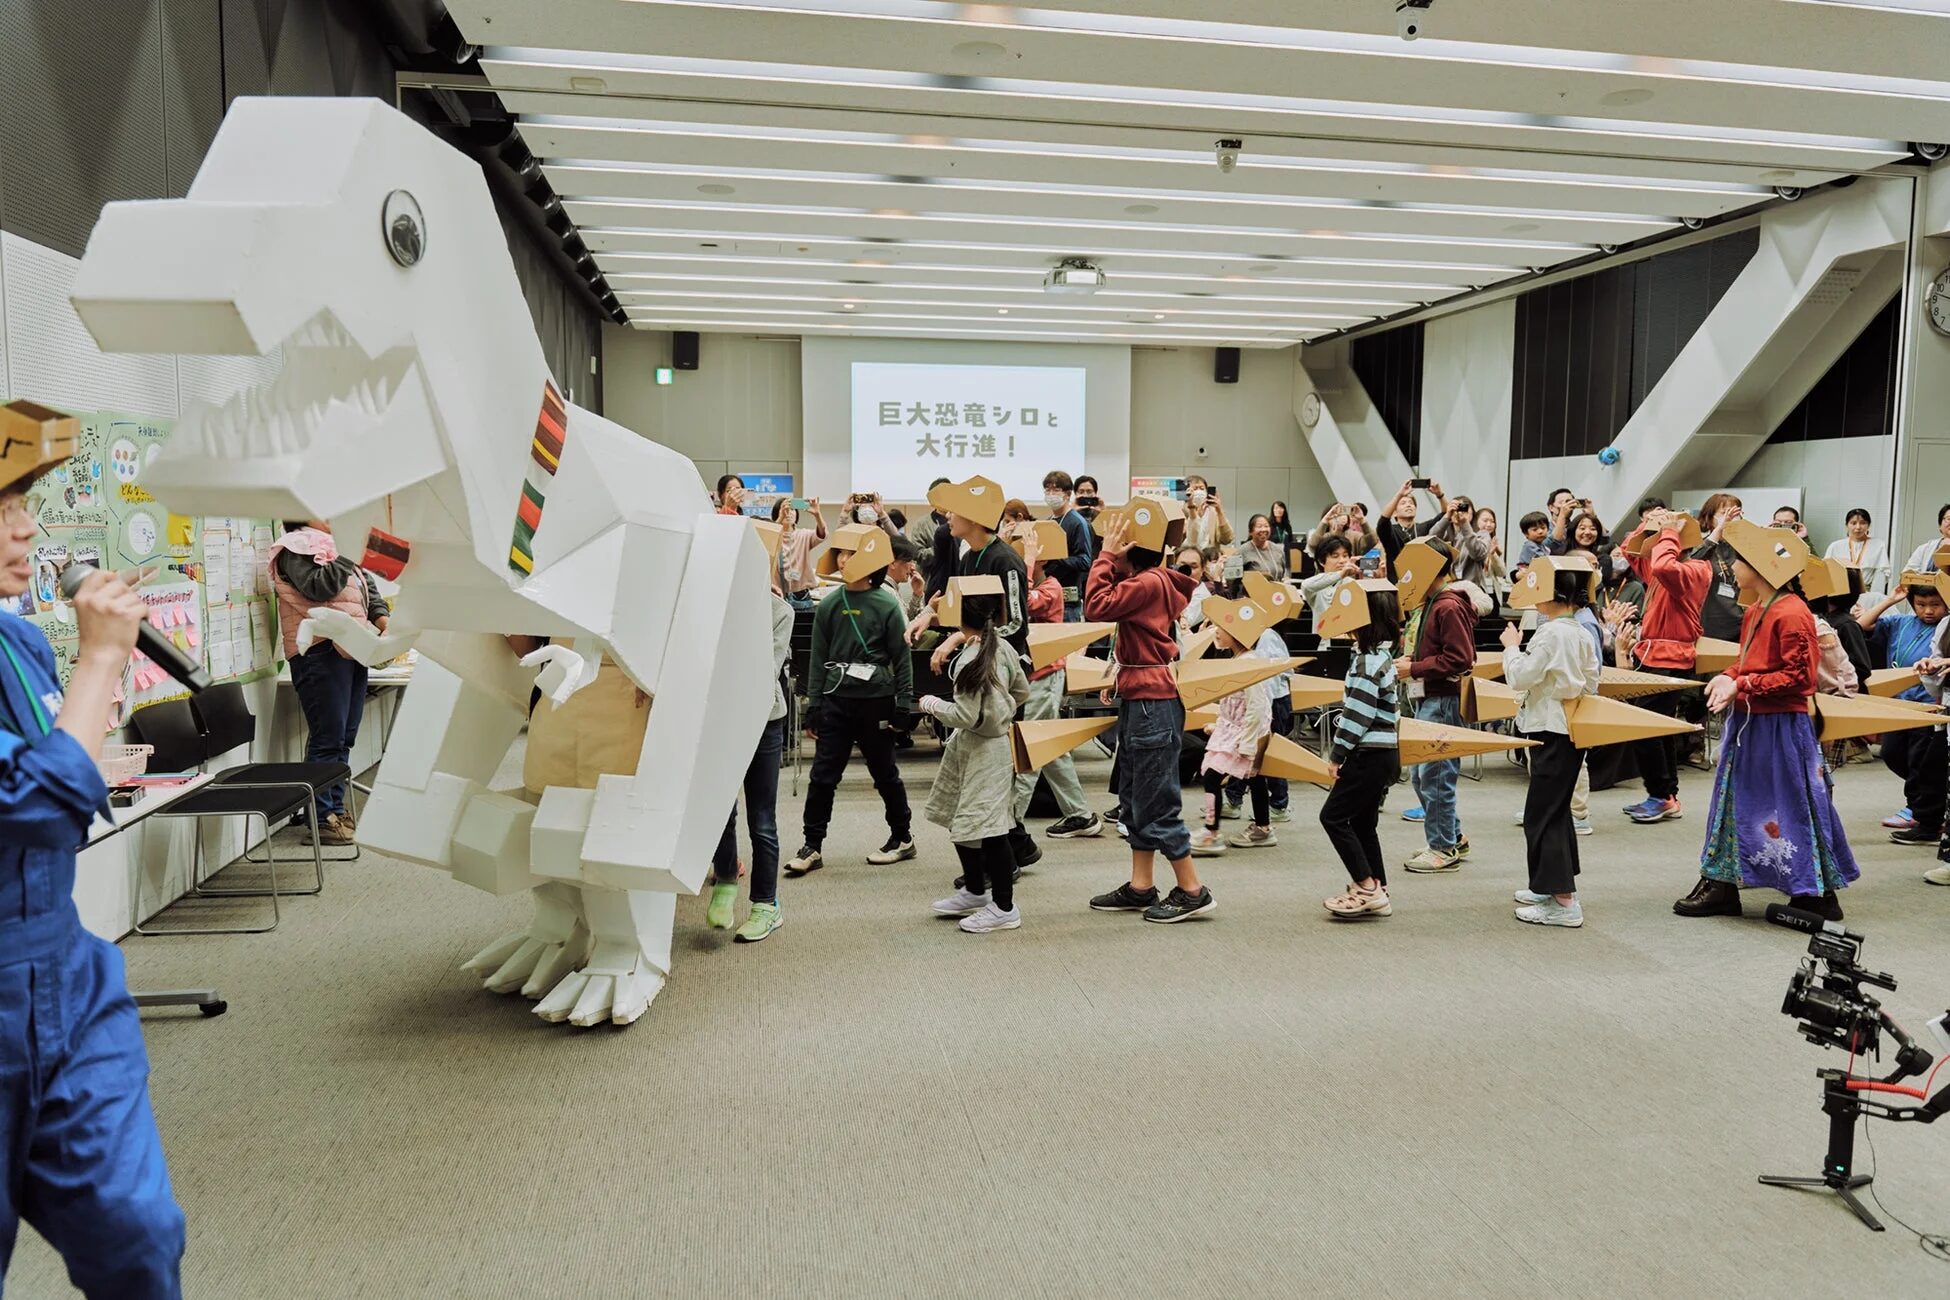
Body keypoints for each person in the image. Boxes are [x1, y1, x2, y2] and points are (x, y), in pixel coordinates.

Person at [1, 438, 187, 1298]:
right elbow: (34, 807)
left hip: (65, 983)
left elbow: (60, 796)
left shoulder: (16, 642)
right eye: (1, 515)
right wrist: (105, 658)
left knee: (137, 1232)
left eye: (19, 509)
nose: (24, 531)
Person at [1676, 521, 1858, 921]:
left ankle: (1813, 891)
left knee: (1792, 803)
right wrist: (1730, 675)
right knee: (1737, 801)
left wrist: (1740, 684)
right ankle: (1724, 882)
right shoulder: (1760, 607)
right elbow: (1752, 662)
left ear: (1761, 568)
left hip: (1780, 726)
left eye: (1740, 560)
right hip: (1755, 722)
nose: (1735, 566)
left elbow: (1799, 678)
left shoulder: (1792, 613)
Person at [1084, 507, 1215, 922]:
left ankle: (1192, 890)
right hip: (1143, 697)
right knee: (1135, 797)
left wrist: (1103, 558)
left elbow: (1095, 606)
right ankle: (1142, 885)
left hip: (1151, 705)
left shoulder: (1147, 582)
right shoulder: (1151, 582)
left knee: (1156, 799)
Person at [906, 475, 1039, 868]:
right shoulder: (968, 556)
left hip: (1001, 677)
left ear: (978, 518)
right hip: (982, 672)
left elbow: (1015, 623)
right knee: (983, 770)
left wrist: (962, 640)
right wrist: (931, 615)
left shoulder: (1006, 560)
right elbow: (958, 604)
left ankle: (1005, 861)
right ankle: (1017, 847)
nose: (946, 516)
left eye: (955, 509)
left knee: (995, 772)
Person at [785, 532, 915, 878]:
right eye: (840, 553)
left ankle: (902, 836)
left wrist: (904, 702)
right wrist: (814, 704)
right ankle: (812, 844)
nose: (843, 560)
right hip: (836, 700)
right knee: (823, 775)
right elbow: (818, 657)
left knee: (884, 772)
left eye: (850, 554)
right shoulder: (828, 604)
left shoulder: (886, 604)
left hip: (876, 700)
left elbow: (902, 658)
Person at [269, 520, 392, 845]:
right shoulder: (294, 547)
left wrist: (384, 622)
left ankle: (334, 809)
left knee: (345, 736)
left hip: (352, 647)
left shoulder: (335, 547)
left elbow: (367, 591)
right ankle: (323, 817)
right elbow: (321, 588)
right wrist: (349, 550)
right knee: (329, 737)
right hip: (318, 652)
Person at [924, 588, 1032, 934]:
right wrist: (1002, 714)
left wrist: (931, 705)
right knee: (966, 819)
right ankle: (974, 890)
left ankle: (1003, 906)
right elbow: (1022, 690)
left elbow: (965, 716)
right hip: (987, 745)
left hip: (981, 749)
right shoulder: (999, 646)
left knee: (988, 827)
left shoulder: (972, 659)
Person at [706, 528, 795, 943]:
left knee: (762, 819)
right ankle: (725, 880)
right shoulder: (708, 610)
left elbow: (765, 666)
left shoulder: (780, 612)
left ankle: (766, 904)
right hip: (720, 719)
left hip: (763, 720)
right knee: (720, 812)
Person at [1503, 564, 1603, 928]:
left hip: (1549, 727)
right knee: (1554, 812)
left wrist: (1512, 648)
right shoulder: (1582, 631)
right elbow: (1592, 681)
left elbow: (1519, 677)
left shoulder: (1549, 634)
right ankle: (1550, 888)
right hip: (1570, 726)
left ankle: (1563, 901)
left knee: (1542, 815)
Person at [1619, 501, 1712, 825]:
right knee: (1656, 730)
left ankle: (1663, 796)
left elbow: (1661, 568)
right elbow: (1629, 551)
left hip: (1670, 659)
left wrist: (1669, 531)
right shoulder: (1665, 563)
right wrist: (1650, 524)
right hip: (1654, 656)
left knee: (1647, 730)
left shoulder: (1695, 569)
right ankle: (1665, 795)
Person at [1399, 538, 1488, 874]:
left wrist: (1415, 668)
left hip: (1442, 700)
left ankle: (1443, 847)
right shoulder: (1435, 603)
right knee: (1425, 777)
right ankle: (1451, 836)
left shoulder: (1447, 606)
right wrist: (1413, 661)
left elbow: (1461, 658)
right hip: (1430, 698)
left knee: (1434, 776)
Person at [1009, 522, 1102, 839]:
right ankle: (1081, 815)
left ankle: (1012, 823)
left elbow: (1020, 602)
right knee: (1049, 749)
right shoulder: (1039, 581)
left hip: (1045, 675)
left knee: (1032, 746)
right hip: (1032, 676)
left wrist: (1029, 560)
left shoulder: (1050, 588)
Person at [1320, 583, 1402, 921]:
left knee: (1333, 816)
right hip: (1382, 754)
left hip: (1368, 754)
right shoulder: (1379, 656)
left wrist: (1337, 754)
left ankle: (1366, 886)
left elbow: (1357, 715)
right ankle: (1377, 889)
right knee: (1364, 823)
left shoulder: (1367, 661)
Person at [1857, 573, 1947, 845]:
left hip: (1928, 706)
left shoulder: (1945, 627)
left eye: (1935, 604)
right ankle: (1925, 799)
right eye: (1921, 604)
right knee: (1893, 754)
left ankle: (1920, 809)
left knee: (1923, 761)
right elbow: (1862, 624)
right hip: (1897, 703)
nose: (1928, 610)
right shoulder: (1900, 622)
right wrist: (1891, 600)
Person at [1192, 600, 1277, 855]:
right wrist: (1219, 725)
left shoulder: (1247, 663)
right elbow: (1234, 703)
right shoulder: (1239, 660)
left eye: (1222, 626)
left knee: (1212, 775)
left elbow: (1258, 707)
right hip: (1237, 731)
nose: (1216, 630)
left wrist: (1249, 743)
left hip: (1244, 734)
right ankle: (1262, 827)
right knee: (1255, 777)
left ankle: (1211, 832)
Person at [1041, 470, 1096, 622]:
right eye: (1047, 489)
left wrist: (1056, 558)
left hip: (1068, 602)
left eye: (1056, 490)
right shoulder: (1047, 522)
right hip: (1047, 597)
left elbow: (1085, 561)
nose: (1051, 494)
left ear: (1067, 494)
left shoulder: (1077, 522)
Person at [1693, 492, 1745, 641]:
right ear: (1710, 517)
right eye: (1724, 513)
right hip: (1711, 623)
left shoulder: (1744, 546)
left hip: (1741, 622)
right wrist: (1718, 531)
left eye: (1736, 513)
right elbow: (1692, 562)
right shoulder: (1701, 545)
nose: (1730, 517)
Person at [1824, 508, 1890, 610]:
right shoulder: (1835, 546)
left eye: (1863, 523)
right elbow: (1827, 573)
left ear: (1868, 525)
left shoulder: (1878, 545)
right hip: (1839, 597)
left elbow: (1880, 575)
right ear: (1847, 525)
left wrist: (1874, 601)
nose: (1858, 527)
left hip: (1867, 596)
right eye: (1853, 523)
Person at [1299, 535, 1357, 650]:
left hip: (1350, 645)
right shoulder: (1317, 586)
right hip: (1323, 646)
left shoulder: (1353, 584)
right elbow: (1306, 586)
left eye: (1345, 556)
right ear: (1321, 561)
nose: (1342, 561)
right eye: (1335, 556)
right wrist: (1340, 575)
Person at [772, 496, 827, 609]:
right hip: (778, 595)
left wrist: (817, 515)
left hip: (802, 596)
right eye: (784, 509)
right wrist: (780, 518)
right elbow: (767, 539)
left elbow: (822, 534)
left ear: (797, 514)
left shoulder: (804, 535)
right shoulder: (773, 535)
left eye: (792, 509)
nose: (789, 512)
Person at [1173, 544, 1211, 645]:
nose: (1187, 571)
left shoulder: (1202, 597)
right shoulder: (1172, 587)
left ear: (1202, 570)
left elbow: (1183, 624)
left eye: (1193, 567)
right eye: (1183, 566)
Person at [1185, 475, 1232, 549]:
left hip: (1210, 557)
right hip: (1190, 556)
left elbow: (1227, 539)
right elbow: (1187, 539)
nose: (1199, 491)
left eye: (1202, 488)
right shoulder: (1182, 511)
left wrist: (1219, 511)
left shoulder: (1213, 513)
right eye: (1195, 489)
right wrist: (1196, 513)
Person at [1239, 512, 1288, 580]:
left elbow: (1283, 574)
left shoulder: (1277, 549)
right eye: (1259, 526)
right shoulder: (1243, 551)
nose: (1263, 529)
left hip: (1277, 590)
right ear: (1250, 531)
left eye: (1266, 526)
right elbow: (1233, 580)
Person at [1475, 507, 1507, 599]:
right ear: (1476, 522)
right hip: (1478, 592)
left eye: (1492, 521)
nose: (1489, 524)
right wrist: (1489, 554)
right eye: (1485, 520)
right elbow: (1481, 571)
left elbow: (1502, 572)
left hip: (1493, 592)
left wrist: (1494, 555)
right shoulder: (1472, 543)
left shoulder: (1494, 542)